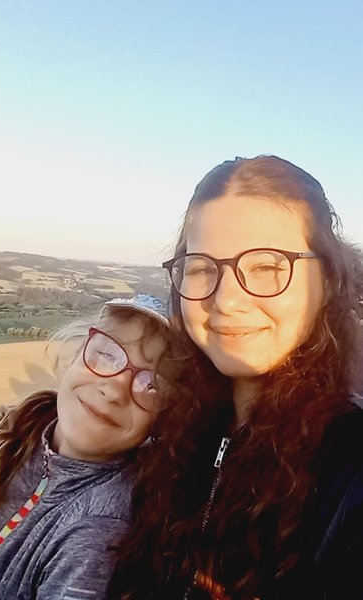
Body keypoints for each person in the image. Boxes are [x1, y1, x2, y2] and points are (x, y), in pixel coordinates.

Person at [107, 156, 363, 600]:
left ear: (327, 280)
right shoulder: (168, 431)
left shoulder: (350, 468)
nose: (226, 300)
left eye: (267, 267)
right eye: (202, 268)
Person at [0, 294, 170, 600]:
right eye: (107, 354)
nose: (114, 389)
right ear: (78, 355)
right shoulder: (0, 438)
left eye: (152, 384)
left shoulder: (102, 528)